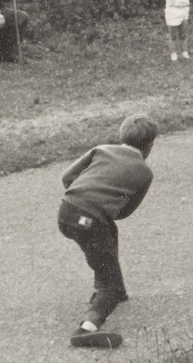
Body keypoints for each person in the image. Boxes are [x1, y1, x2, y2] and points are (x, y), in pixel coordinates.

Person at [58, 114, 157, 349]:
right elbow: (125, 211)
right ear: (150, 146)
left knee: (106, 236)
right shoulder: (144, 171)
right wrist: (102, 206)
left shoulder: (100, 150)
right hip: (91, 222)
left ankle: (117, 288)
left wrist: (84, 198)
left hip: (66, 211)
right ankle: (87, 328)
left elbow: (67, 177)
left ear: (120, 136)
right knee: (107, 284)